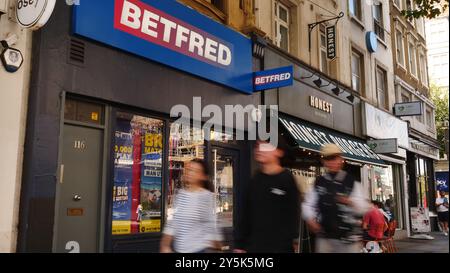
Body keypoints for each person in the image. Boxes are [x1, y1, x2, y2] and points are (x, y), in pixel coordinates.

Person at [234, 139, 300, 253]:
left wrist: (292, 241)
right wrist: (240, 245)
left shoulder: (287, 179)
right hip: (254, 247)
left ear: (279, 152)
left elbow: (293, 214)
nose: (260, 150)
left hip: (280, 248)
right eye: (258, 146)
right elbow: (245, 215)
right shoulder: (254, 180)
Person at [302, 144, 369, 253]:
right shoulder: (319, 182)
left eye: (334, 158)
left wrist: (350, 201)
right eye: (328, 159)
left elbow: (365, 206)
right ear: (324, 162)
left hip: (349, 238)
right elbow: (308, 204)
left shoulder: (351, 181)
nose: (332, 162)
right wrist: (310, 219)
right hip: (325, 237)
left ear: (340, 159)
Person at [160, 159, 223, 253]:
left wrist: (219, 248)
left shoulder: (205, 196)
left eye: (194, 171)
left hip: (198, 250)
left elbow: (211, 225)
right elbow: (174, 222)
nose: (189, 173)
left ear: (202, 176)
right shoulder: (181, 194)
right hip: (179, 249)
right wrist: (165, 245)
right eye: (188, 169)